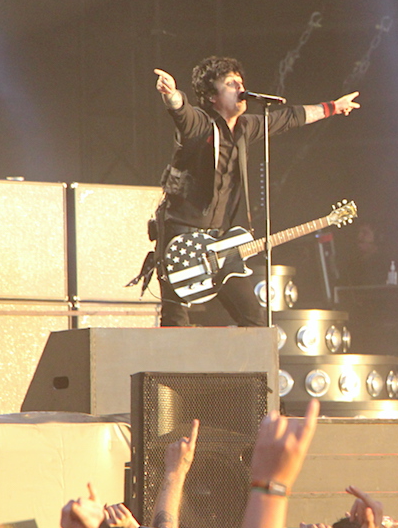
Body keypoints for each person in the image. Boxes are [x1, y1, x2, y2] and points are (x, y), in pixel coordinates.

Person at [150, 56, 361, 327]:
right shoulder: (201, 125)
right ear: (212, 96)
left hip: (220, 241)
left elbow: (289, 117)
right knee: (175, 321)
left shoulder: (246, 127)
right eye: (230, 83)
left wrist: (333, 107)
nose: (240, 88)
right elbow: (182, 113)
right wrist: (172, 95)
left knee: (255, 321)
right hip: (181, 237)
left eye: (241, 82)